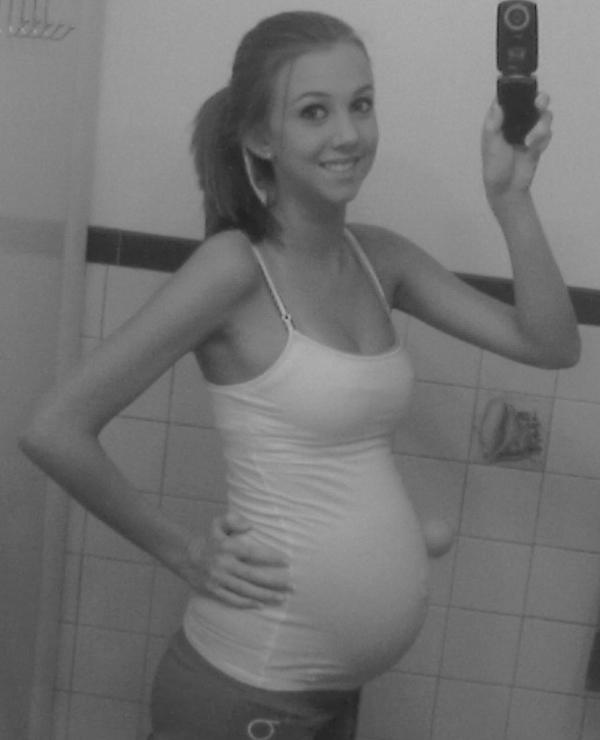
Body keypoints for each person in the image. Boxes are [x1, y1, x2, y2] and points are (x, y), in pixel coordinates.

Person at [20, 10, 580, 740]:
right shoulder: (233, 268)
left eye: (361, 104)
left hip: (327, 693)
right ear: (261, 137)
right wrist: (182, 550)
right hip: (244, 688)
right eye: (314, 112)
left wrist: (511, 199)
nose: (348, 133)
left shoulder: (381, 259)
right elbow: (53, 428)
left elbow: (550, 344)